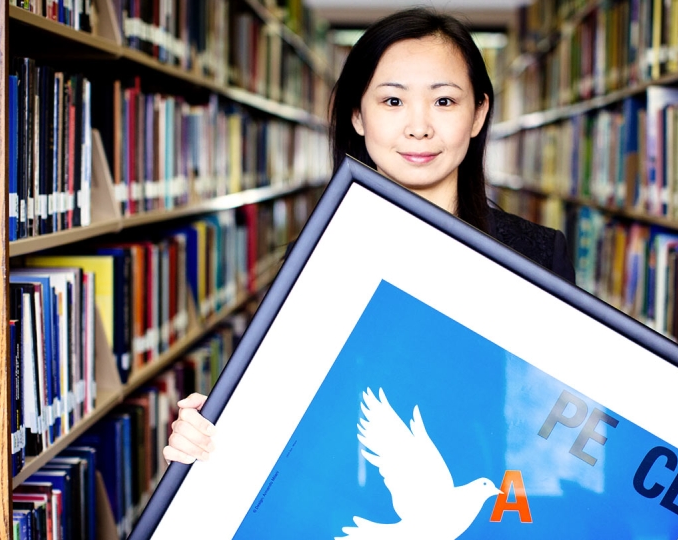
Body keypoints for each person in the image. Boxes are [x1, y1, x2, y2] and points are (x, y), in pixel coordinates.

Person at [162, 7, 576, 466]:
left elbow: (565, 419)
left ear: (478, 114)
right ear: (358, 115)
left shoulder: (538, 255)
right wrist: (206, 435)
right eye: (392, 102)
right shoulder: (318, 262)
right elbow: (280, 420)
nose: (419, 126)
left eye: (444, 101)